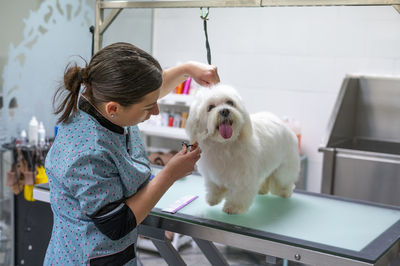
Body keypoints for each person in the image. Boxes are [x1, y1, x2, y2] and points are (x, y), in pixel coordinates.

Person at [44, 42, 220, 265]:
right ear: (114, 108)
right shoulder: (87, 154)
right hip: (91, 257)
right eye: (149, 108)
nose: (156, 110)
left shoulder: (99, 95)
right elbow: (117, 225)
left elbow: (147, 91)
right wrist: (170, 174)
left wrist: (188, 69)